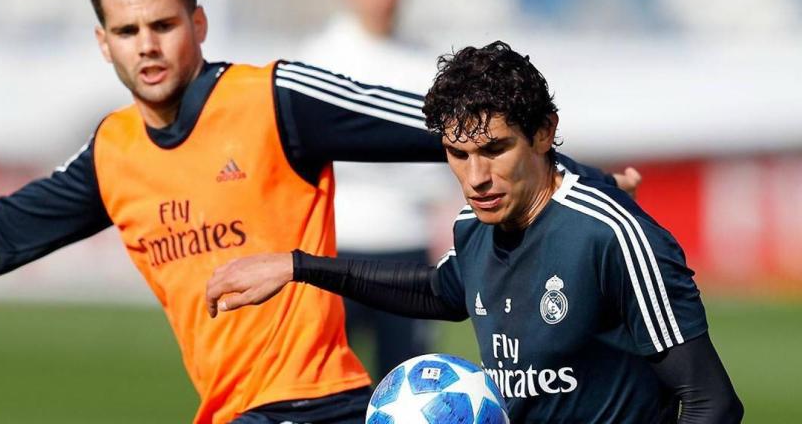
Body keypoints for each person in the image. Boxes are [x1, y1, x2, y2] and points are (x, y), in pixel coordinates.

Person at [0, 0, 635, 424]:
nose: (148, 44)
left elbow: (443, 117)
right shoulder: (112, 151)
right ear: (103, 44)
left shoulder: (273, 98)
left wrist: (577, 178)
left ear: (197, 23)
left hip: (325, 404)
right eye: (128, 30)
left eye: (163, 23)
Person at [206, 42, 743, 423]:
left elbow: (711, 402)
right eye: (457, 155)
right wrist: (300, 267)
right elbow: (441, 292)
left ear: (544, 133)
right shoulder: (473, 226)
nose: (476, 177)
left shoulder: (613, 237)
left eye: (494, 149)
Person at [299, 0, 443, 379]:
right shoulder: (317, 60)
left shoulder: (427, 64)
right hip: (334, 247)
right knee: (321, 386)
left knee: (409, 388)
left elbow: (440, 164)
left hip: (406, 248)